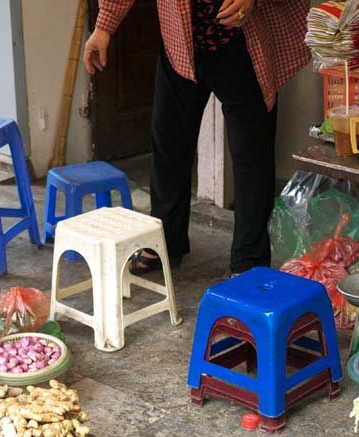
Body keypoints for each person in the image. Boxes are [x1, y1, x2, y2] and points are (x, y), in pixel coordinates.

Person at [84, 0, 310, 276]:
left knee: (253, 156)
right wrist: (104, 27)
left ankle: (249, 263)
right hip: (179, 42)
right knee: (169, 145)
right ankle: (166, 241)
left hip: (239, 44)